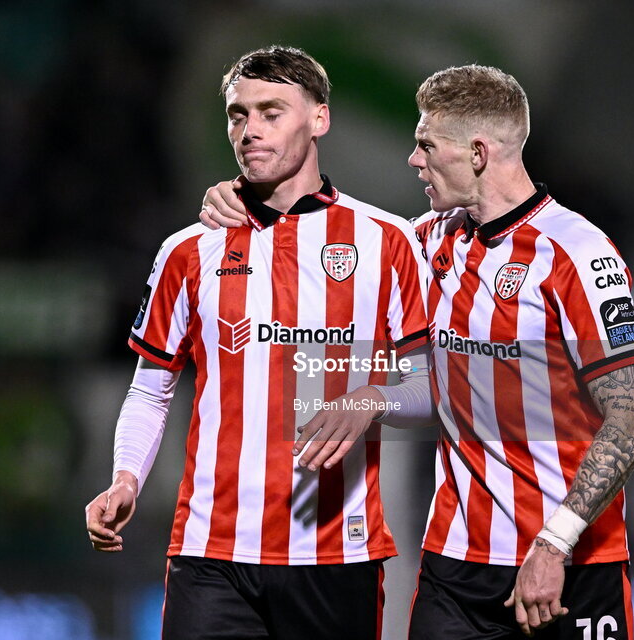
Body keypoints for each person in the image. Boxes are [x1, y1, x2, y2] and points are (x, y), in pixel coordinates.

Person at [200, 64, 634, 639]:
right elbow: (327, 239)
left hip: (571, 566)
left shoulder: (579, 255)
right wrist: (241, 196)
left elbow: (631, 423)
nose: (413, 160)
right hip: (456, 569)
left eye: (426, 144)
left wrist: (553, 544)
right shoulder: (428, 241)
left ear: (478, 152)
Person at [84, 45, 431, 640]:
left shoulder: (388, 241)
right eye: (238, 114)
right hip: (211, 551)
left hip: (336, 556)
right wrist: (125, 479)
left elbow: (433, 388)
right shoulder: (188, 250)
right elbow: (151, 389)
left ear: (319, 118)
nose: (250, 131)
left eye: (272, 112)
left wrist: (371, 397)